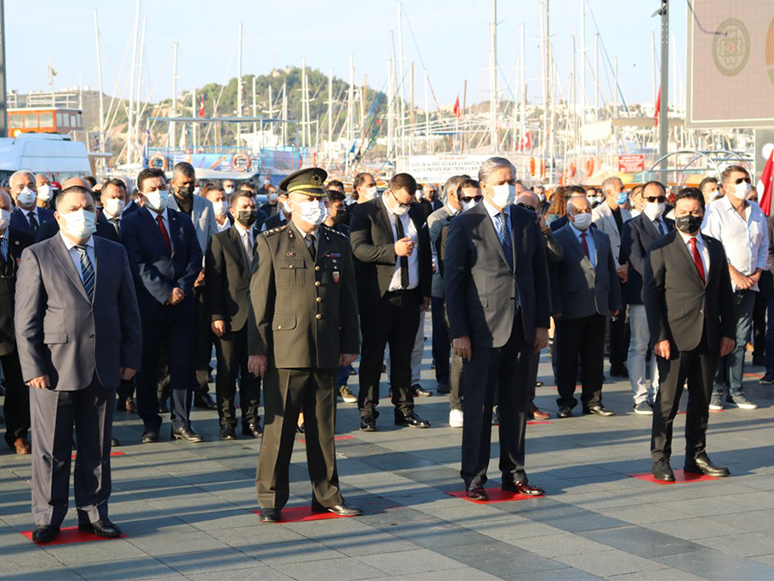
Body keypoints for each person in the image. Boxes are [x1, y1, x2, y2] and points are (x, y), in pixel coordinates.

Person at [15, 185, 142, 543]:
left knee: (96, 447)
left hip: (104, 364)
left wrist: (131, 356)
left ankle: (95, 513)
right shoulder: (38, 254)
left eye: (88, 207)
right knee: (50, 450)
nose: (82, 213)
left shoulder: (114, 253)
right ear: (57, 215)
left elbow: (129, 309)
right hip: (54, 369)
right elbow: (25, 320)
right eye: (74, 207)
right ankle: (48, 516)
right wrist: (32, 368)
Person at [247, 167, 362, 523]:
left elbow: (348, 299)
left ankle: (326, 494)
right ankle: (271, 498)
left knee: (323, 426)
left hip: (326, 346)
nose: (316, 205)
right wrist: (258, 348)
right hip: (285, 348)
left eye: (320, 199)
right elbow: (258, 301)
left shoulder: (337, 242)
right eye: (308, 199)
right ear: (287, 202)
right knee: (279, 429)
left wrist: (350, 343)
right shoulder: (272, 242)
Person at [444, 157, 550, 501]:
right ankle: (474, 476)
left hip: (521, 326)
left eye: (513, 180)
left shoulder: (524, 218)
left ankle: (514, 473)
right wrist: (459, 332)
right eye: (504, 181)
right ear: (485, 185)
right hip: (482, 330)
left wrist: (540, 323)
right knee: (477, 406)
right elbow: (454, 282)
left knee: (516, 405)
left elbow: (538, 274)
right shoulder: (465, 223)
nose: (510, 186)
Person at [644, 187, 736, 482]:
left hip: (709, 336)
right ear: (674, 213)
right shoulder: (661, 247)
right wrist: (660, 336)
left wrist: (728, 332)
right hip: (674, 337)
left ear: (703, 212)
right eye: (683, 212)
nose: (689, 217)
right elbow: (652, 295)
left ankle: (696, 455)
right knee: (668, 402)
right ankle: (661, 458)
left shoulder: (714, 246)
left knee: (702, 399)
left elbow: (724, 293)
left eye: (695, 212)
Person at [122, 168, 204, 443]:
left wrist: (181, 287)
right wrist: (165, 291)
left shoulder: (182, 220)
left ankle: (181, 422)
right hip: (150, 305)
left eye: (161, 186)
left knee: (182, 366)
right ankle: (151, 422)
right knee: (148, 367)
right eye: (152, 189)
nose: (159, 192)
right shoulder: (132, 222)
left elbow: (195, 255)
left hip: (182, 306)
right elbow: (137, 264)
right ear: (141, 195)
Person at [350, 173, 433, 432]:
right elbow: (358, 249)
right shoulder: (366, 212)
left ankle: (405, 409)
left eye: (410, 202)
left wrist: (426, 291)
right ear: (390, 192)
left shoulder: (417, 211)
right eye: (403, 202)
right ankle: (367, 411)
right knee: (373, 357)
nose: (406, 206)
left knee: (403, 356)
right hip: (379, 296)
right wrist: (391, 251)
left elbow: (426, 250)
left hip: (409, 294)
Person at [701, 165, 767, 411]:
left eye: (747, 179)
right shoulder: (715, 211)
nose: (745, 184)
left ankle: (736, 390)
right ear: (726, 186)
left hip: (750, 284)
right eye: (739, 180)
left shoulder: (757, 211)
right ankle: (716, 390)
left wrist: (757, 272)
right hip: (723, 284)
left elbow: (762, 246)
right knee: (720, 337)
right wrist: (734, 273)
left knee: (741, 338)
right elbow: (710, 246)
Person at [551, 196, 622, 418]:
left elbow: (609, 270)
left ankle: (593, 401)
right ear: (570, 215)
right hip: (570, 306)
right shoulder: (558, 236)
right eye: (579, 210)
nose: (585, 213)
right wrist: (555, 306)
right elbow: (553, 275)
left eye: (587, 209)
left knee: (594, 357)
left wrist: (615, 302)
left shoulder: (600, 236)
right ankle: (566, 401)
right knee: (567, 357)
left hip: (598, 306)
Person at [205, 191, 263, 440]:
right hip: (230, 317)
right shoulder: (220, 240)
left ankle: (251, 421)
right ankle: (227, 423)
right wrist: (216, 315)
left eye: (252, 205)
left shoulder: (265, 239)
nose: (249, 210)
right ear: (232, 210)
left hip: (258, 319)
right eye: (244, 206)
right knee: (227, 374)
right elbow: (214, 282)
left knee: (253, 373)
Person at [167, 162, 219, 410]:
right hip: (174, 282)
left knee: (200, 340)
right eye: (184, 183)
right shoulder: (163, 205)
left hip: (200, 281)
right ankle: (164, 390)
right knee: (168, 339)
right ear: (173, 183)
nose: (188, 187)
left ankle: (200, 389)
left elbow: (212, 242)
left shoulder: (205, 205)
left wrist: (203, 269)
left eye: (192, 182)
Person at [620, 181, 673, 415]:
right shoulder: (632, 226)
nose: (657, 203)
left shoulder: (671, 225)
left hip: (670, 295)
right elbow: (636, 259)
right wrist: (663, 277)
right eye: (652, 199)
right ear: (641, 200)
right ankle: (640, 396)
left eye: (661, 199)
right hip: (643, 293)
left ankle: (658, 393)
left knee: (662, 344)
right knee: (639, 346)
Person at [433, 178, 482, 427]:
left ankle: (488, 402)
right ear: (458, 200)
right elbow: (450, 274)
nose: (472, 203)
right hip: (461, 300)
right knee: (461, 355)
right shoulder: (448, 228)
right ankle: (456, 405)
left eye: (477, 198)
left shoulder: (498, 226)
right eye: (467, 199)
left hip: (490, 304)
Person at [516, 190, 563, 421]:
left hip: (534, 303)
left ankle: (528, 402)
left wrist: (544, 230)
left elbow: (557, 255)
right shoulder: (509, 228)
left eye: (531, 208)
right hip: (509, 305)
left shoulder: (541, 230)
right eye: (521, 206)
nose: (526, 211)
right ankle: (502, 404)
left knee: (532, 357)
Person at [99, 177, 139, 414]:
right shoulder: (95, 223)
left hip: (131, 291)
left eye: (121, 196)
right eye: (112, 196)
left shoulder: (132, 222)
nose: (117, 200)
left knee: (130, 344)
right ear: (102, 199)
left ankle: (128, 394)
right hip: (107, 294)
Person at [427, 175, 468, 405]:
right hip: (441, 283)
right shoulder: (438, 218)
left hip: (467, 283)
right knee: (442, 332)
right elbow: (429, 248)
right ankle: (443, 377)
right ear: (453, 194)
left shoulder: (472, 216)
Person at [0, 190, 33, 454]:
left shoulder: (26, 240)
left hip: (18, 325)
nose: (1, 213)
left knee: (18, 386)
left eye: (5, 207)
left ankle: (18, 433)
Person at [591, 177, 631, 378]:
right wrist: (617, 268)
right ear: (609, 192)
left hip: (625, 271)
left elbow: (629, 243)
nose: (624, 191)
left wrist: (627, 266)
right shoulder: (597, 215)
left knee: (621, 319)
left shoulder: (625, 213)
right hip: (609, 272)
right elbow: (601, 245)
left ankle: (619, 360)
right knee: (608, 319)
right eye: (620, 188)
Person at [324, 189, 357, 403]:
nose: (343, 210)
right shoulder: (317, 233)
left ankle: (342, 385)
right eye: (339, 207)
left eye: (344, 206)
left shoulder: (345, 233)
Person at [9, 171, 54, 235]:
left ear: (36, 189)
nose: (27, 191)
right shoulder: (9, 219)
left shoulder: (51, 216)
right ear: (12, 193)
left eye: (30, 186)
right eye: (20, 187)